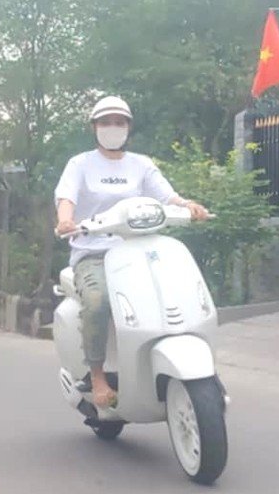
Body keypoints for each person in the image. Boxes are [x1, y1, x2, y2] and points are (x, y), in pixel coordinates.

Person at [54, 95, 210, 411]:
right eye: (106, 122)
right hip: (93, 253)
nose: (113, 127)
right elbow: (66, 197)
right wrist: (65, 220)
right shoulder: (80, 164)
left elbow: (168, 197)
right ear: (94, 127)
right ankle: (98, 376)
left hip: (138, 251)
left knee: (176, 292)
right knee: (97, 303)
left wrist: (188, 206)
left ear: (128, 127)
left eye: (119, 121)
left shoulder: (141, 164)